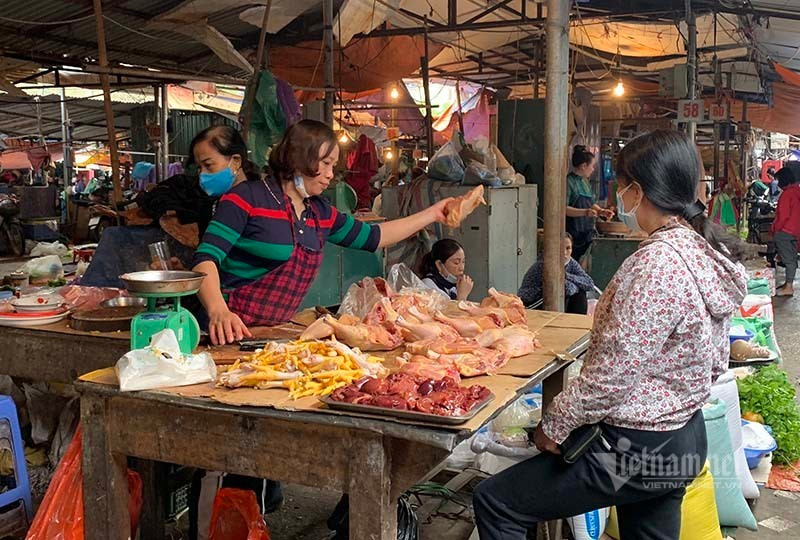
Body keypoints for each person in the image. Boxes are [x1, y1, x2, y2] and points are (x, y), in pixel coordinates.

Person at [473, 129, 748, 539]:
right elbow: (711, 361)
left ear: (638, 191)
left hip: (635, 449)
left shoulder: (657, 265)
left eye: (620, 189)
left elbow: (612, 378)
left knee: (498, 502)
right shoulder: (700, 253)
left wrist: (556, 424)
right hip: (684, 436)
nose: (617, 200)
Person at [191, 120, 453, 345]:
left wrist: (433, 213)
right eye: (326, 164)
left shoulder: (320, 212)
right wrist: (218, 311)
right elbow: (205, 259)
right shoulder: (246, 198)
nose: (330, 175)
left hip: (273, 334)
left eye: (333, 165)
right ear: (298, 159)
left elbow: (376, 237)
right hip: (225, 334)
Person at [518, 233, 595, 314]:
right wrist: (577, 285)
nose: (565, 252)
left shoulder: (571, 262)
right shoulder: (545, 264)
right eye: (560, 249)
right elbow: (566, 288)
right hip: (531, 302)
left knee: (580, 294)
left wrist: (567, 276)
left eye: (568, 248)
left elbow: (589, 283)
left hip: (558, 296)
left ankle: (577, 322)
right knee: (566, 291)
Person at [566, 145, 613, 262]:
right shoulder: (569, 182)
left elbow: (591, 203)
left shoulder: (585, 182)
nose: (593, 169)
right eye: (592, 166)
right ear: (583, 166)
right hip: (573, 232)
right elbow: (564, 209)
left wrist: (601, 211)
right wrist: (585, 212)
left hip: (586, 233)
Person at [772, 164, 800, 297]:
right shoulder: (797, 191)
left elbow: (783, 216)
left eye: (778, 180)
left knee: (788, 260)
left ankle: (788, 287)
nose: (777, 184)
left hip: (786, 230)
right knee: (792, 258)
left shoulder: (787, 194)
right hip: (795, 230)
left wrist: (775, 230)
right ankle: (787, 284)